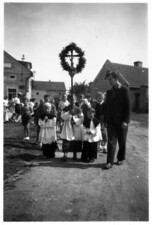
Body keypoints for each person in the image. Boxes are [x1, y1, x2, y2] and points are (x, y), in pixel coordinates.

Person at [104, 70, 131, 169]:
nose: (109, 81)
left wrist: (125, 121)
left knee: (122, 141)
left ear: (116, 78)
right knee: (111, 141)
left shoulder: (124, 90)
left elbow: (128, 107)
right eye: (108, 80)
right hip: (111, 122)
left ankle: (120, 158)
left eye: (110, 79)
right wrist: (106, 121)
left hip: (121, 122)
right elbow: (107, 107)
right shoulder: (109, 92)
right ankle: (109, 162)